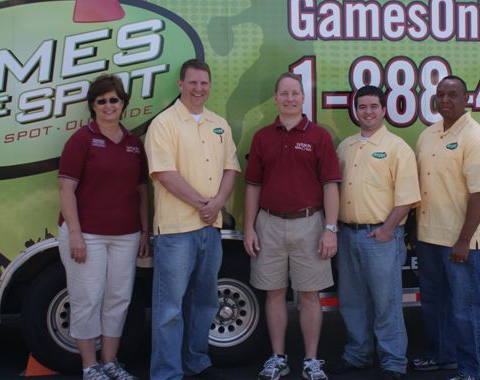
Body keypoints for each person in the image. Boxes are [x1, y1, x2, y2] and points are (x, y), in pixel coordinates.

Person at [146, 59, 240, 380]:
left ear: (209, 86)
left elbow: (231, 169)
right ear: (180, 84)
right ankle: (166, 372)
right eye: (193, 83)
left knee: (204, 303)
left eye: (204, 83)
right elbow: (164, 173)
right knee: (170, 308)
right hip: (175, 231)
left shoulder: (219, 124)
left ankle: (196, 361)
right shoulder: (164, 123)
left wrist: (217, 204)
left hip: (210, 229)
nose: (199, 89)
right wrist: (204, 204)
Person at [243, 72, 341, 380]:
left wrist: (330, 229)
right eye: (284, 94)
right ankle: (278, 358)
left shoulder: (319, 136)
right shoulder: (262, 137)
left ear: (303, 97)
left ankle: (311, 360)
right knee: (274, 294)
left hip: (309, 224)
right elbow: (253, 186)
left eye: (294, 93)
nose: (289, 99)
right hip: (269, 224)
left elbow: (330, 186)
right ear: (276, 98)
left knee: (310, 296)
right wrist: (249, 227)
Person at [57, 74, 149, 380]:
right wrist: (75, 234)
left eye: (114, 100)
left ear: (123, 103)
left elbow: (141, 190)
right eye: (102, 101)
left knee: (118, 299)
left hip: (126, 236)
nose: (109, 105)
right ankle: (89, 367)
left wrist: (144, 231)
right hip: (87, 236)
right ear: (93, 106)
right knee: (87, 299)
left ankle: (110, 363)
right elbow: (66, 189)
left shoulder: (134, 143)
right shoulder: (81, 140)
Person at [413, 76, 480, 380]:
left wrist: (463, 241)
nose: (445, 100)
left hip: (461, 241)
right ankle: (442, 356)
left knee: (465, 310)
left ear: (466, 99)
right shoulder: (428, 134)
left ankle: (474, 371)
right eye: (440, 95)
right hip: (428, 237)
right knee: (434, 304)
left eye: (452, 95)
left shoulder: (476, 139)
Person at [330, 86, 420, 379]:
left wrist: (387, 230)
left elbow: (407, 198)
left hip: (380, 238)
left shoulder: (397, 148)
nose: (367, 112)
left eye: (373, 106)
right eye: (362, 107)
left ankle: (393, 361)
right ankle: (358, 354)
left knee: (386, 303)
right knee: (352, 301)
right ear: (355, 111)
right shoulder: (346, 146)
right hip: (347, 234)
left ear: (383, 110)